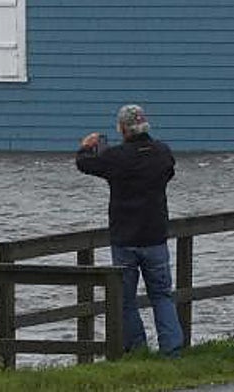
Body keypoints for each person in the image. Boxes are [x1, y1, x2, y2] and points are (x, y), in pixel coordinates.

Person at [76, 104, 183, 356]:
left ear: (122, 129)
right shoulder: (162, 152)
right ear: (145, 125)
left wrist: (86, 147)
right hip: (155, 236)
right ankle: (172, 350)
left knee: (125, 299)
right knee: (162, 296)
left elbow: (85, 164)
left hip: (124, 238)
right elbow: (169, 171)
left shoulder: (116, 157)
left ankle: (136, 349)